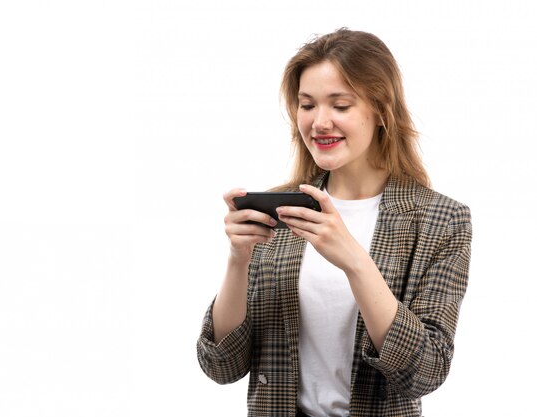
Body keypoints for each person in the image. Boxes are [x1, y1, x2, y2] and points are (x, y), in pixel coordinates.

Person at [196, 28, 472, 417]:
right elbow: (221, 365)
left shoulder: (441, 220)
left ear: (381, 111)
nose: (319, 122)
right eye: (307, 105)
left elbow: (425, 372)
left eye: (340, 105)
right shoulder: (282, 209)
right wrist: (238, 259)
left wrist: (354, 261)